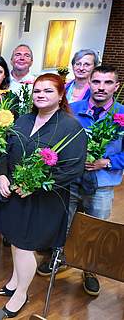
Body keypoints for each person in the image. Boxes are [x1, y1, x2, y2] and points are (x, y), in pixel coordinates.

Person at [0, 74, 86, 317]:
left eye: (48, 91)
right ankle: (15, 280)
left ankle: (21, 293)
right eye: (37, 91)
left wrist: (35, 186)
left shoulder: (70, 127)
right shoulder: (23, 120)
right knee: (15, 239)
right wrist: (2, 175)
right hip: (15, 194)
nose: (41, 95)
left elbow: (73, 168)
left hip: (44, 200)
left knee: (25, 246)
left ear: (60, 95)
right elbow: (4, 150)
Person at [38, 65, 124, 295]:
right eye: (96, 82)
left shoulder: (122, 114)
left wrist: (105, 162)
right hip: (71, 181)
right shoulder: (72, 110)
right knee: (63, 222)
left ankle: (89, 269)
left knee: (96, 228)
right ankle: (58, 258)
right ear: (89, 83)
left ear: (116, 86)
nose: (101, 88)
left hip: (102, 183)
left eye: (107, 83)